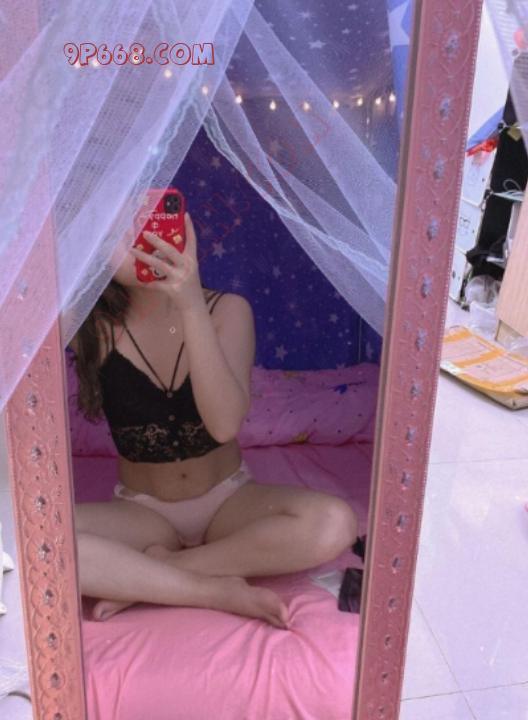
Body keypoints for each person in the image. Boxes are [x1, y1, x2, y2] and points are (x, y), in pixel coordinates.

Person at [70, 212, 359, 628]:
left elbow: (224, 426)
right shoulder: (88, 327)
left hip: (228, 500)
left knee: (334, 523)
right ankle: (211, 590)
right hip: (140, 512)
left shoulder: (227, 310)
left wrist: (189, 303)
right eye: (119, 232)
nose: (142, 244)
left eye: (150, 225)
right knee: (42, 542)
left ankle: (154, 576)